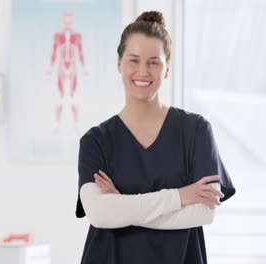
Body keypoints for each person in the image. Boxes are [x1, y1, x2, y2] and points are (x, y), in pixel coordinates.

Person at [75, 11, 236, 264]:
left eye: (154, 62)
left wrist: (122, 206)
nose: (143, 71)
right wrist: (180, 197)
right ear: (119, 64)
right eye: (134, 60)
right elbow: (99, 214)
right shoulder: (96, 141)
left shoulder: (196, 131)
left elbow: (203, 213)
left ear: (167, 69)